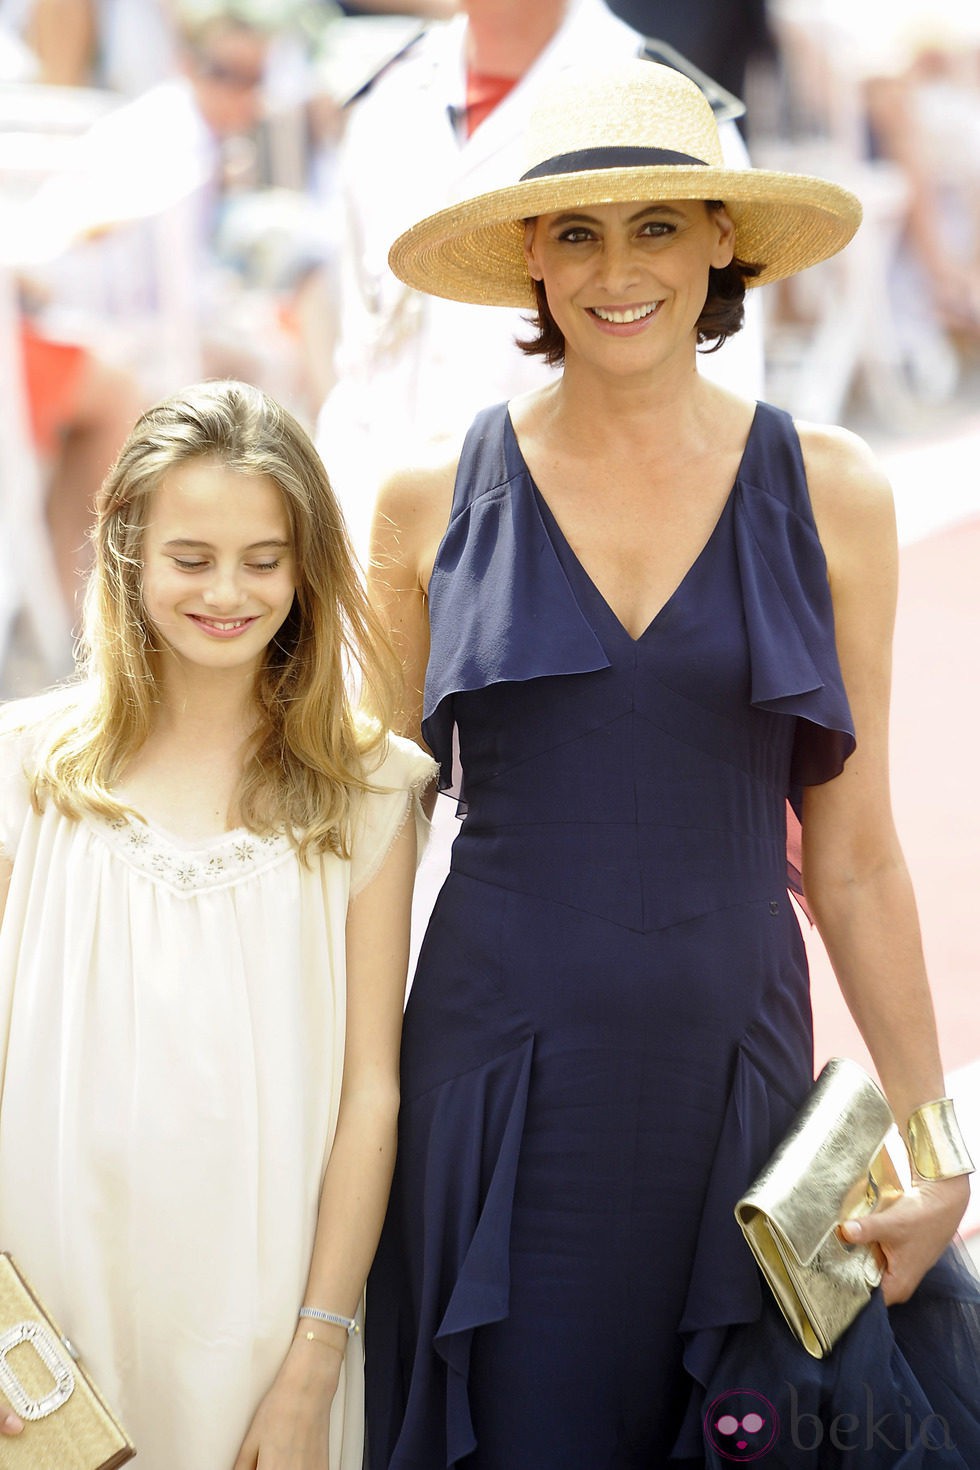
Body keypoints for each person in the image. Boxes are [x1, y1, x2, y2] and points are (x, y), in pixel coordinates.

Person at [364, 58, 980, 1468]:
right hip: (494, 1090)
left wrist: (937, 1143)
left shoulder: (833, 494)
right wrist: (341, 1120)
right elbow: (371, 854)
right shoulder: (421, 507)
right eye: (577, 231)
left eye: (656, 226)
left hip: (740, 1085)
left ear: (722, 242)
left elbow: (859, 849)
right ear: (530, 255)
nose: (616, 269)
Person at [0, 380, 436, 1468]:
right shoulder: (24, 774)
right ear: (129, 555)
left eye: (263, 558)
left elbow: (369, 1094)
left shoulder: (370, 788)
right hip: (44, 1311)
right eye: (190, 558)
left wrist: (315, 1359)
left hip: (262, 1322)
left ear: (306, 565)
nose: (227, 592)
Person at [315, 0, 766, 559]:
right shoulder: (389, 99)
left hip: (574, 562)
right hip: (378, 545)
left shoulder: (669, 106)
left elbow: (719, 382)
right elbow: (359, 364)